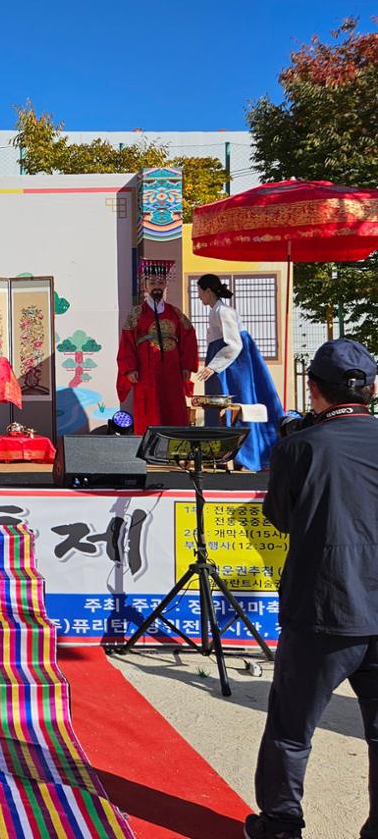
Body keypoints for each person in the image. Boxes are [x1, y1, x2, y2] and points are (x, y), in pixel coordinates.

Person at [245, 339, 378, 839]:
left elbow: (278, 517)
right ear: (371, 389)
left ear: (313, 389)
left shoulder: (299, 447)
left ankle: (280, 825)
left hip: (322, 607)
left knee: (291, 729)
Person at [194, 274, 283, 471]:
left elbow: (234, 344)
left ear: (208, 291)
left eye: (200, 291)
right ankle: (220, 454)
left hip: (234, 365)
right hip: (225, 361)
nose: (199, 296)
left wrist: (214, 366)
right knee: (219, 406)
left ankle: (245, 456)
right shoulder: (217, 310)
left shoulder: (223, 311)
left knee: (237, 405)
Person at [116, 261, 198, 433]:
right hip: (146, 370)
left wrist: (186, 365)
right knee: (149, 406)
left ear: (165, 285)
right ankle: (149, 447)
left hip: (172, 370)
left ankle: (176, 445)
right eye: (152, 283)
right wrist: (130, 368)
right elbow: (127, 342)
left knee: (173, 405)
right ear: (145, 286)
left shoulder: (175, 313)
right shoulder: (137, 313)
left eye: (160, 283)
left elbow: (188, 337)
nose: (157, 287)